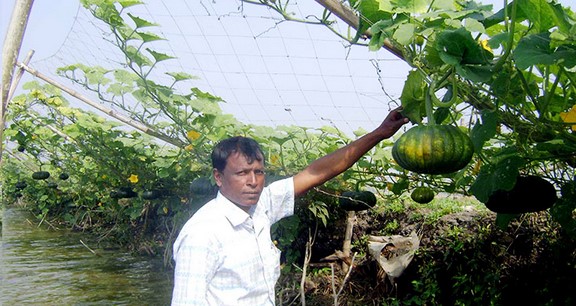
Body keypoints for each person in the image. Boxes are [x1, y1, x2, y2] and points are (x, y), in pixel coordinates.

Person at [171, 108, 409, 305]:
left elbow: (317, 172)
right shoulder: (202, 234)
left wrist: (380, 133)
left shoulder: (261, 205)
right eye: (242, 173)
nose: (253, 181)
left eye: (259, 172)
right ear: (219, 177)